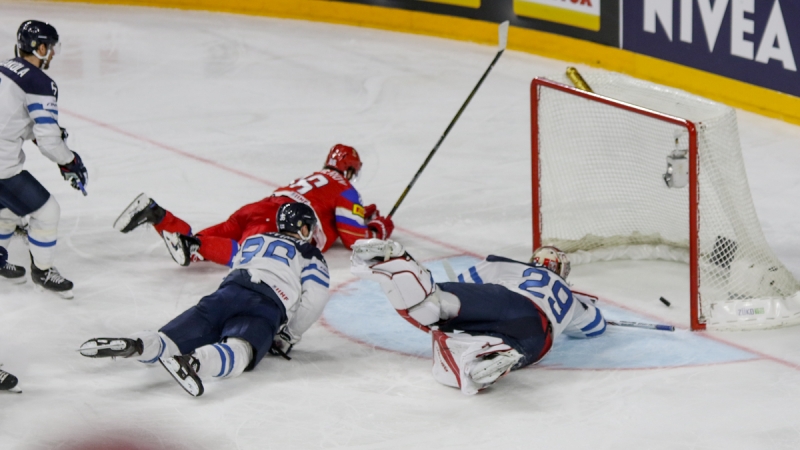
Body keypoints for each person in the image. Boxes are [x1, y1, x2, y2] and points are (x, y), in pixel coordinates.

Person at [79, 202, 330, 397]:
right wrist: (289, 336)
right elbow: (314, 300)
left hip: (225, 294)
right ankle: (194, 363)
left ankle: (136, 344)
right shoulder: (310, 253)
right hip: (264, 306)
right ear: (304, 227)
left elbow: (236, 264)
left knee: (169, 339)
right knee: (240, 351)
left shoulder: (255, 239)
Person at [350, 240, 606, 395]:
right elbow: (595, 327)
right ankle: (483, 359)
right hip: (538, 338)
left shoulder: (506, 265)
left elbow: (464, 283)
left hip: (506, 301)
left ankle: (396, 260)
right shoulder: (572, 300)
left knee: (434, 307)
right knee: (499, 351)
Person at [113, 144, 393, 267]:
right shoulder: (346, 188)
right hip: (282, 221)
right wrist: (378, 229)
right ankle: (194, 246)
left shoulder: (312, 178)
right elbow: (353, 236)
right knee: (249, 257)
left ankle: (158, 216)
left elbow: (330, 209)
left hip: (257, 209)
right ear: (350, 169)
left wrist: (363, 214)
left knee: (195, 245)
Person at [0, 20, 88, 298]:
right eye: (49, 48)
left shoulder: (4, 67)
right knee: (47, 211)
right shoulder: (39, 82)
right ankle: (43, 270)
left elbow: (14, 121)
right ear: (39, 48)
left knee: (9, 210)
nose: (51, 54)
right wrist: (69, 160)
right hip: (2, 165)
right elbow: (49, 140)